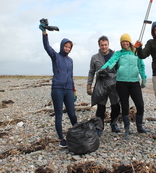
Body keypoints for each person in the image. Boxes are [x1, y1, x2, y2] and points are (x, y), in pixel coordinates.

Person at [99, 33, 150, 137]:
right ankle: (127, 129)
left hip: (134, 82)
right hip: (121, 83)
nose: (125, 43)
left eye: (126, 41)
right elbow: (111, 62)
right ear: (121, 43)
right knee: (124, 105)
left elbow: (141, 66)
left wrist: (144, 78)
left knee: (140, 105)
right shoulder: (118, 53)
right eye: (123, 41)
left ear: (129, 42)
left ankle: (139, 127)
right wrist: (103, 69)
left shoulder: (136, 52)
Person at [39, 19, 78, 147]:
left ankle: (77, 132)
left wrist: (74, 90)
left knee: (72, 113)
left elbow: (71, 76)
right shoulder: (55, 56)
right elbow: (46, 46)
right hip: (57, 89)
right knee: (59, 114)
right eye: (65, 46)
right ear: (62, 46)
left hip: (68, 89)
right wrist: (44, 32)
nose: (67, 48)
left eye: (69, 47)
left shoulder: (70, 61)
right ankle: (61, 139)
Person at [87, 35, 121, 135]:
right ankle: (99, 127)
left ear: (108, 44)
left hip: (113, 84)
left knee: (115, 105)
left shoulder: (115, 55)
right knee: (101, 106)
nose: (104, 47)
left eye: (105, 45)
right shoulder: (95, 57)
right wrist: (89, 84)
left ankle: (114, 124)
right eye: (102, 45)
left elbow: (120, 69)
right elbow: (91, 71)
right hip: (100, 84)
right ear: (99, 45)